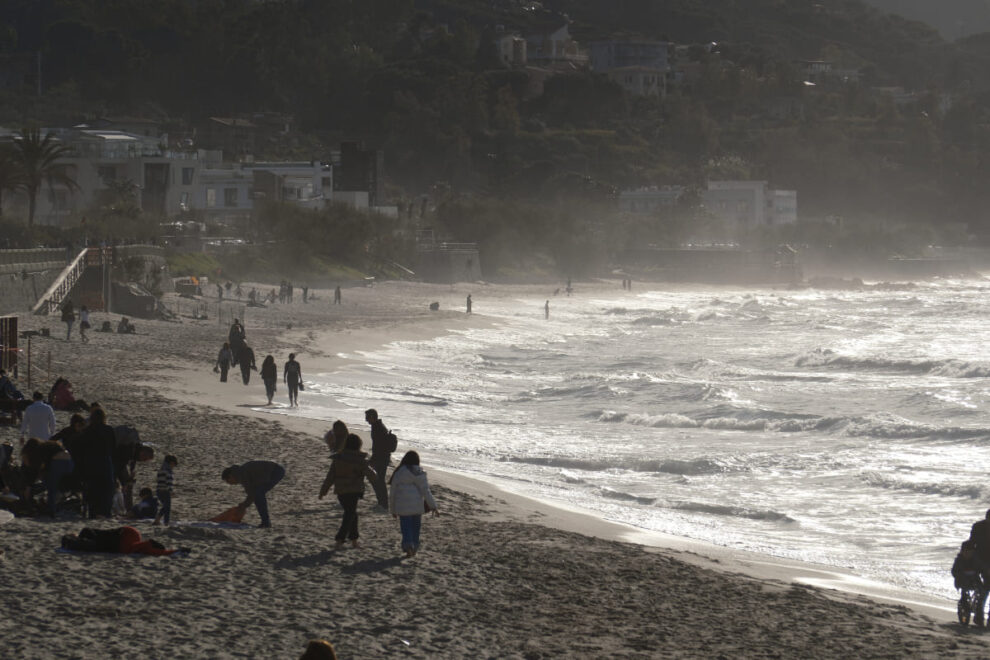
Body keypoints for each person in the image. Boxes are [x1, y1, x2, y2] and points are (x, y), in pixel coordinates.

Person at [318, 434, 378, 548]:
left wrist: (323, 491)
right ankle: (340, 539)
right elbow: (372, 476)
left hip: (341, 491)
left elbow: (330, 477)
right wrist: (373, 470)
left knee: (352, 513)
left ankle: (354, 540)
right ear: (358, 445)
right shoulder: (360, 460)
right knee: (350, 514)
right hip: (354, 490)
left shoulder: (338, 458)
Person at [388, 451, 439, 558]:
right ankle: (414, 547)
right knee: (416, 528)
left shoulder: (399, 472)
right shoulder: (420, 472)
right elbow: (426, 491)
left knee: (406, 528)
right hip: (417, 507)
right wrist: (433, 506)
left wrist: (393, 510)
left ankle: (408, 546)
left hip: (403, 507)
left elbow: (392, 493)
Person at [76, 407, 116, 518]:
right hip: (105, 461)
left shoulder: (88, 431)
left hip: (91, 462)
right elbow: (113, 447)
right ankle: (105, 512)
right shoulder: (108, 430)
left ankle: (93, 512)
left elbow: (80, 447)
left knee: (93, 488)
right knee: (107, 488)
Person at [222, 460, 286, 528]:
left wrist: (243, 506)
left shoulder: (241, 474)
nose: (230, 484)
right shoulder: (240, 472)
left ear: (230, 476)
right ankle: (265, 522)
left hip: (276, 471)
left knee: (258, 494)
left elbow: (251, 494)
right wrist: (243, 505)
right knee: (258, 495)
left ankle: (266, 523)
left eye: (228, 481)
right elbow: (251, 493)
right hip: (273, 471)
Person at [21, 437, 75, 516]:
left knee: (51, 488)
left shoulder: (39, 451)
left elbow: (36, 470)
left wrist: (29, 486)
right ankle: (53, 504)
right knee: (52, 484)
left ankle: (51, 510)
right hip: (70, 463)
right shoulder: (48, 445)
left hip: (59, 463)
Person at [60, 526, 185, 556]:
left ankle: (169, 551)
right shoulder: (89, 533)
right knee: (137, 549)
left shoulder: (87, 532)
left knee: (135, 549)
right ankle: (170, 551)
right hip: (124, 535)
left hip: (122, 538)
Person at [953, 540, 988, 625]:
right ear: (962, 551)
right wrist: (959, 575)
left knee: (981, 593)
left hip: (974, 579)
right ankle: (965, 610)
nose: (967, 553)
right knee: (964, 594)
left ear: (973, 552)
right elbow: (954, 571)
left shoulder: (976, 560)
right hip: (962, 580)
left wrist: (986, 571)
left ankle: (979, 613)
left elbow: (982, 568)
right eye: (965, 551)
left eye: (969, 551)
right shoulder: (959, 560)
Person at [365, 408, 395, 508]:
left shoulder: (378, 428)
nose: (366, 420)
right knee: (378, 480)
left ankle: (383, 503)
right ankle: (382, 502)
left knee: (379, 481)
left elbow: (379, 447)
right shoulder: (377, 426)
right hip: (382, 458)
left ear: (372, 417)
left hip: (381, 459)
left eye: (367, 417)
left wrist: (373, 460)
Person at [154, 454, 178, 526]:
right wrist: (170, 491)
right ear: (171, 463)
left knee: (165, 506)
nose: (173, 467)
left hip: (159, 490)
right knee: (167, 508)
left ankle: (157, 519)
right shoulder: (168, 471)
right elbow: (168, 482)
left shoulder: (161, 470)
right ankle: (166, 522)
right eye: (174, 465)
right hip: (165, 491)